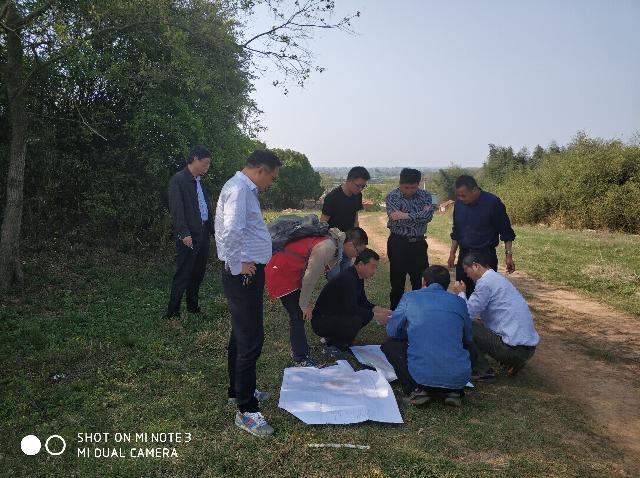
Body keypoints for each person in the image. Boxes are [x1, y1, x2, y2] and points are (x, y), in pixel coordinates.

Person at [214, 149, 282, 437]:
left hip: (246, 271)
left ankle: (238, 389)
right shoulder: (240, 190)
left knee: (240, 334)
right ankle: (246, 410)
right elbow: (231, 231)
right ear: (261, 170)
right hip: (244, 273)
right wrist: (236, 264)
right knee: (250, 338)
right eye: (272, 177)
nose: (271, 183)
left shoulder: (241, 188)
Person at [265, 228, 369, 367]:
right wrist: (304, 305)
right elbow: (310, 278)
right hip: (283, 272)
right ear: (350, 244)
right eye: (358, 252)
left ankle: (302, 348)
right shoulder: (328, 247)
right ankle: (300, 357)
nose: (357, 256)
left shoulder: (336, 242)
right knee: (297, 315)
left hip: (294, 272)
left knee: (298, 314)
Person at [381, 266, 472, 407]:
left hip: (420, 378)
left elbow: (392, 331)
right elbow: (468, 338)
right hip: (457, 379)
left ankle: (415, 390)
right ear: (447, 284)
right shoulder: (459, 302)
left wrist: (410, 333)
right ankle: (453, 391)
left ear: (423, 281)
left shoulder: (410, 297)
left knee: (390, 345)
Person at [452, 251, 539, 379]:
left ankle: (483, 370)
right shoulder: (496, 278)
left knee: (466, 325)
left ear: (476, 266)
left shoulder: (485, 283)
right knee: (479, 324)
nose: (467, 275)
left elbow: (466, 314)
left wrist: (461, 293)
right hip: (527, 349)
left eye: (467, 270)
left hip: (514, 350)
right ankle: (511, 361)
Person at [447, 175, 516, 295]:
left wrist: (508, 256)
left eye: (464, 195)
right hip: (464, 256)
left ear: (474, 190)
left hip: (485, 257)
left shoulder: (493, 203)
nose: (460, 198)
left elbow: (506, 231)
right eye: (458, 195)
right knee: (462, 294)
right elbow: (457, 231)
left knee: (485, 296)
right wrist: (452, 254)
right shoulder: (459, 204)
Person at [311, 249, 392, 352]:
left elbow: (362, 301)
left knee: (364, 315)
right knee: (356, 319)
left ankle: (333, 338)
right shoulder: (347, 278)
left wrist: (381, 310)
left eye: (376, 268)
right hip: (321, 321)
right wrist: (376, 316)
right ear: (361, 264)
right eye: (373, 267)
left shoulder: (357, 276)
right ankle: (335, 345)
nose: (374, 271)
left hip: (333, 316)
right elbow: (350, 309)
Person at [167, 145, 215, 317]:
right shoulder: (178, 180)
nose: (207, 167)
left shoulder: (199, 181)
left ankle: (193, 308)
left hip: (203, 233)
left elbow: (205, 208)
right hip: (189, 235)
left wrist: (213, 231)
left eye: (208, 164)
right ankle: (173, 312)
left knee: (198, 273)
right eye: (205, 163)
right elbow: (177, 209)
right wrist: (184, 233)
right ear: (195, 159)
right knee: (184, 273)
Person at [386, 168, 435, 309]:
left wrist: (405, 215)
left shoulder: (427, 195)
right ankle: (395, 313)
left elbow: (428, 217)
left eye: (413, 187)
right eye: (406, 187)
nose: (409, 191)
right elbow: (395, 218)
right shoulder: (392, 197)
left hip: (419, 244)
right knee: (397, 282)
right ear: (400, 183)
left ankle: (418, 313)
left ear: (418, 184)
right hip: (398, 243)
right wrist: (419, 215)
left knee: (420, 282)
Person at [321, 166, 370, 279]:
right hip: (334, 243)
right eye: (358, 185)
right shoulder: (332, 197)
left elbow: (355, 218)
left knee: (345, 275)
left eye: (363, 186)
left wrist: (357, 239)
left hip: (349, 242)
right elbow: (323, 223)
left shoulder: (357, 196)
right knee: (334, 277)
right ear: (349, 180)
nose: (360, 189)